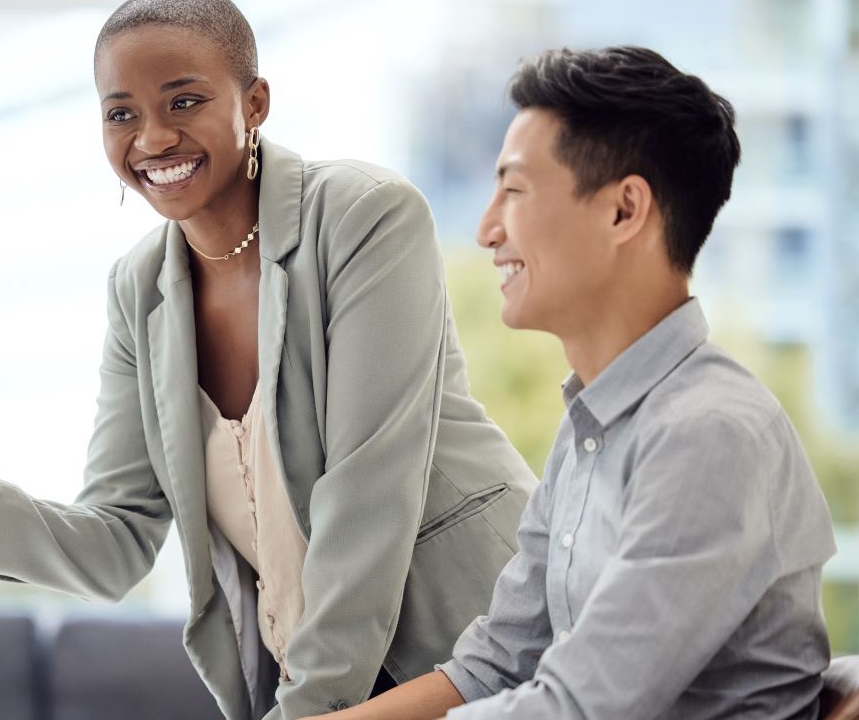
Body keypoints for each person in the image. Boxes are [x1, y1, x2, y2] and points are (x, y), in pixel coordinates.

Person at [0, 2, 536, 718]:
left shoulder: (365, 217)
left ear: (254, 103)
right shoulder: (137, 290)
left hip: (480, 647)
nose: (153, 136)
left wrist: (307, 711)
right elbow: (119, 540)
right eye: (121, 114)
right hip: (324, 689)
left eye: (185, 100)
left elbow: (369, 500)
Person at [306, 46, 838, 720]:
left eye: (515, 189)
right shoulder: (596, 425)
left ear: (624, 211)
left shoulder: (709, 434)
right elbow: (496, 664)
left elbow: (579, 708)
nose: (487, 228)